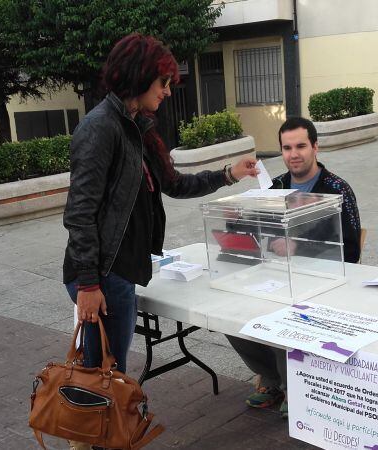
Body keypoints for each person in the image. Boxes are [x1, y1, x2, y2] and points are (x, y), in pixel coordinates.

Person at [62, 33, 258, 450]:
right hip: (103, 275)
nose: (168, 91)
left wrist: (229, 173)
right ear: (140, 76)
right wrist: (88, 284)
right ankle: (95, 443)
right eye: (163, 82)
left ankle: (103, 440)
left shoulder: (137, 129)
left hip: (119, 272)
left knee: (107, 376)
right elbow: (79, 213)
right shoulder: (100, 128)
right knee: (100, 378)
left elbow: (175, 184)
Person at [226, 116, 361, 419]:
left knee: (281, 315)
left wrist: (300, 248)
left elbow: (351, 251)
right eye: (287, 148)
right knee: (228, 316)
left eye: (301, 145)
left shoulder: (337, 189)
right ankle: (273, 380)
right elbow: (252, 228)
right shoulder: (275, 187)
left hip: (322, 284)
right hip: (276, 278)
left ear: (316, 146)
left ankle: (295, 387)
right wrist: (239, 215)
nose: (294, 154)